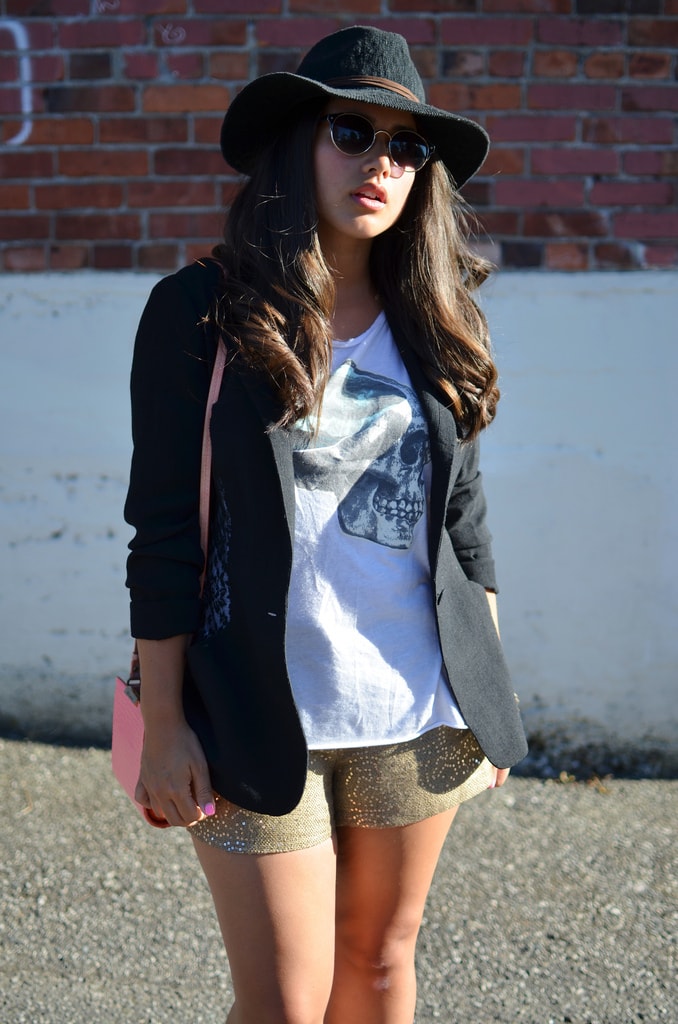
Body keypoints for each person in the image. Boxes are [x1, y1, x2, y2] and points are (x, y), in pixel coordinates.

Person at [124, 25, 528, 1024]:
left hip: (416, 707)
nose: (381, 163)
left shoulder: (437, 316)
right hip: (251, 706)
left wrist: (487, 692)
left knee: (381, 968)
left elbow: (464, 523)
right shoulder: (200, 312)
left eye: (406, 147)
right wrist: (164, 722)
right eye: (353, 132)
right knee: (284, 1005)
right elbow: (164, 531)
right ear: (298, 142)